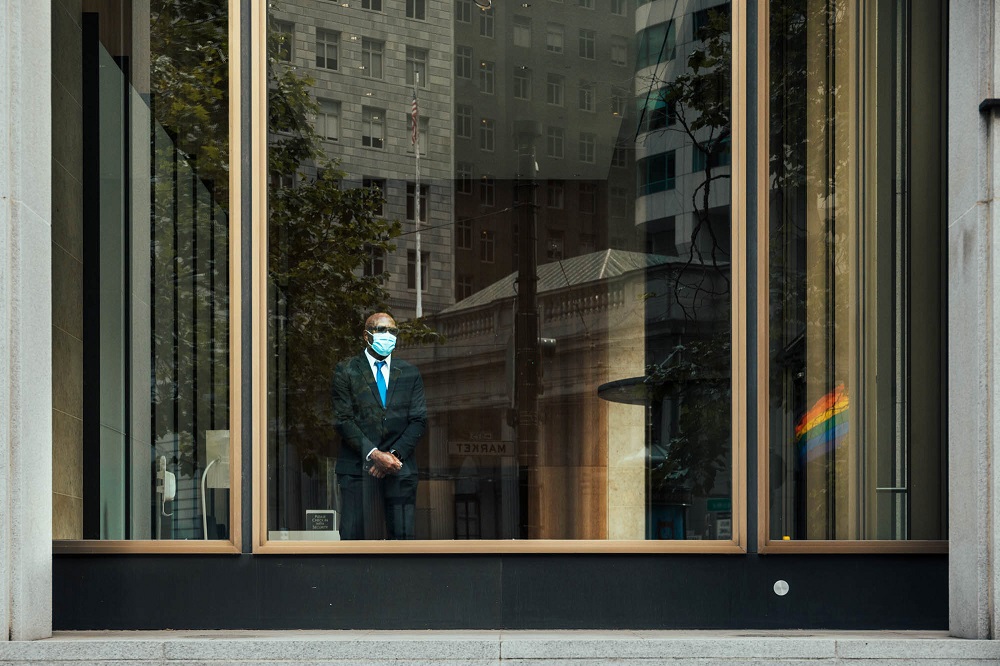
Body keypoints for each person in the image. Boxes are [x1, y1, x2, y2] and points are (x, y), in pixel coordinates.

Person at [332, 312, 426, 539]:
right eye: (382, 330)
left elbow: (418, 420)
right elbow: (343, 419)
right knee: (352, 539)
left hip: (399, 467)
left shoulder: (410, 373)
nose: (388, 336)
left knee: (402, 541)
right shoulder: (346, 371)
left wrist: (392, 456)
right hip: (357, 469)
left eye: (393, 331)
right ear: (366, 336)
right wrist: (374, 454)